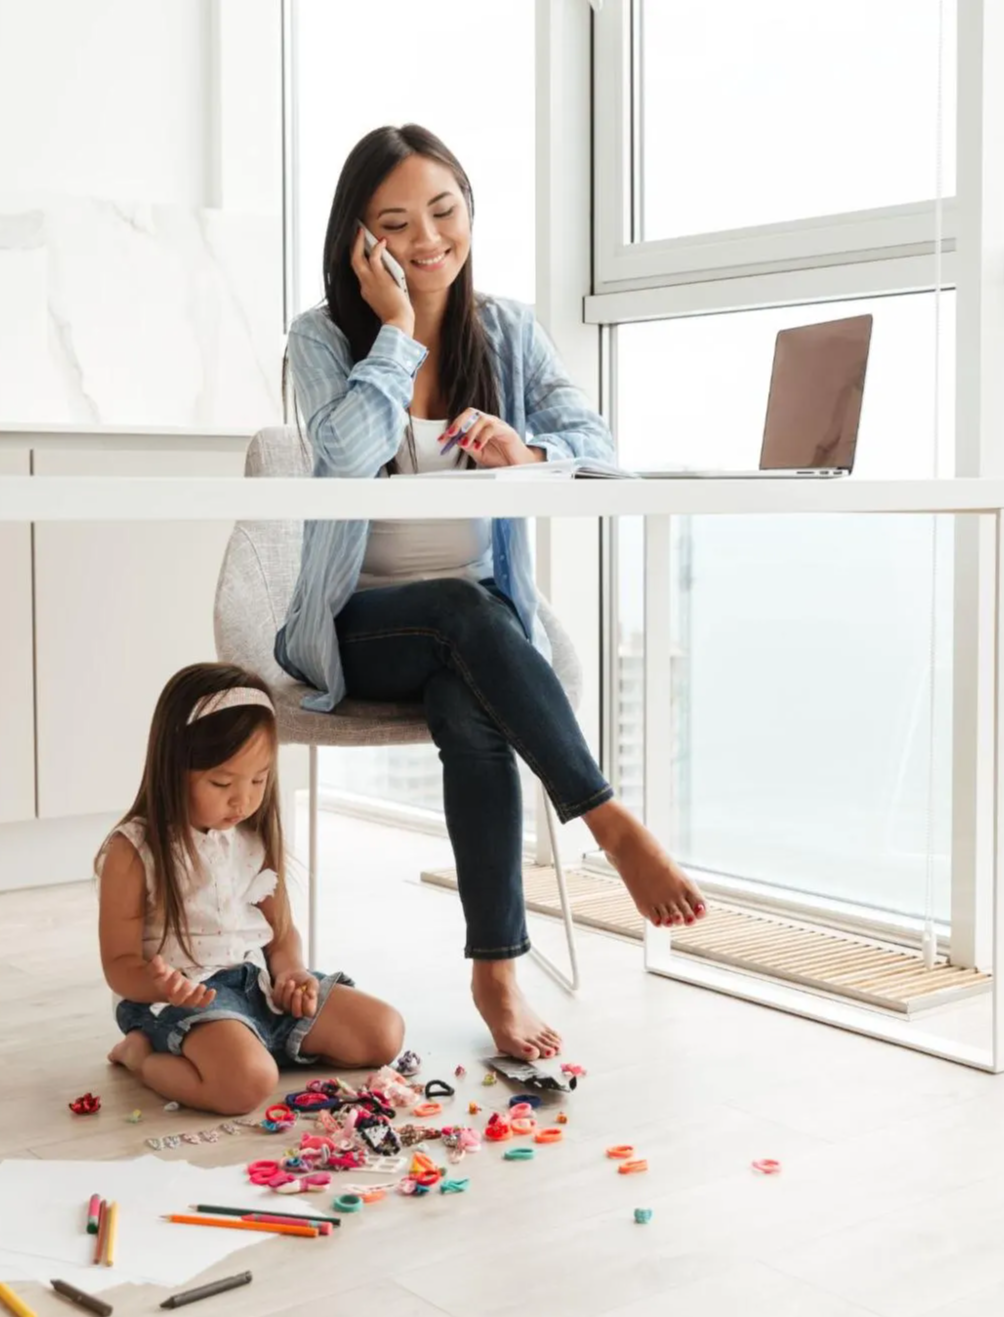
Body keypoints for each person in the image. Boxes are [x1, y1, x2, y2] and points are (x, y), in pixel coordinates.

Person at [275, 123, 706, 1063]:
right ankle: (604, 814)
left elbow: (604, 455)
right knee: (462, 614)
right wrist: (391, 338)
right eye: (395, 222)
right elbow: (341, 460)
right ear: (359, 241)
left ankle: (495, 974)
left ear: (469, 209)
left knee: (469, 703)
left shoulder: (505, 330)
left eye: (444, 209)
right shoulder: (321, 338)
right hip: (359, 627)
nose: (427, 238)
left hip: (475, 637)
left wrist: (531, 452)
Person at [100, 662, 404, 1116]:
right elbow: (119, 965)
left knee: (384, 1032)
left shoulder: (253, 837)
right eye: (222, 783)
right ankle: (144, 1057)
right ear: (173, 766)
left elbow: (280, 933)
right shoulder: (134, 851)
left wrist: (292, 975)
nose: (242, 800)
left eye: (259, 780)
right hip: (186, 1000)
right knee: (247, 1085)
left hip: (259, 988)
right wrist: (161, 985)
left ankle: (256, 1042)